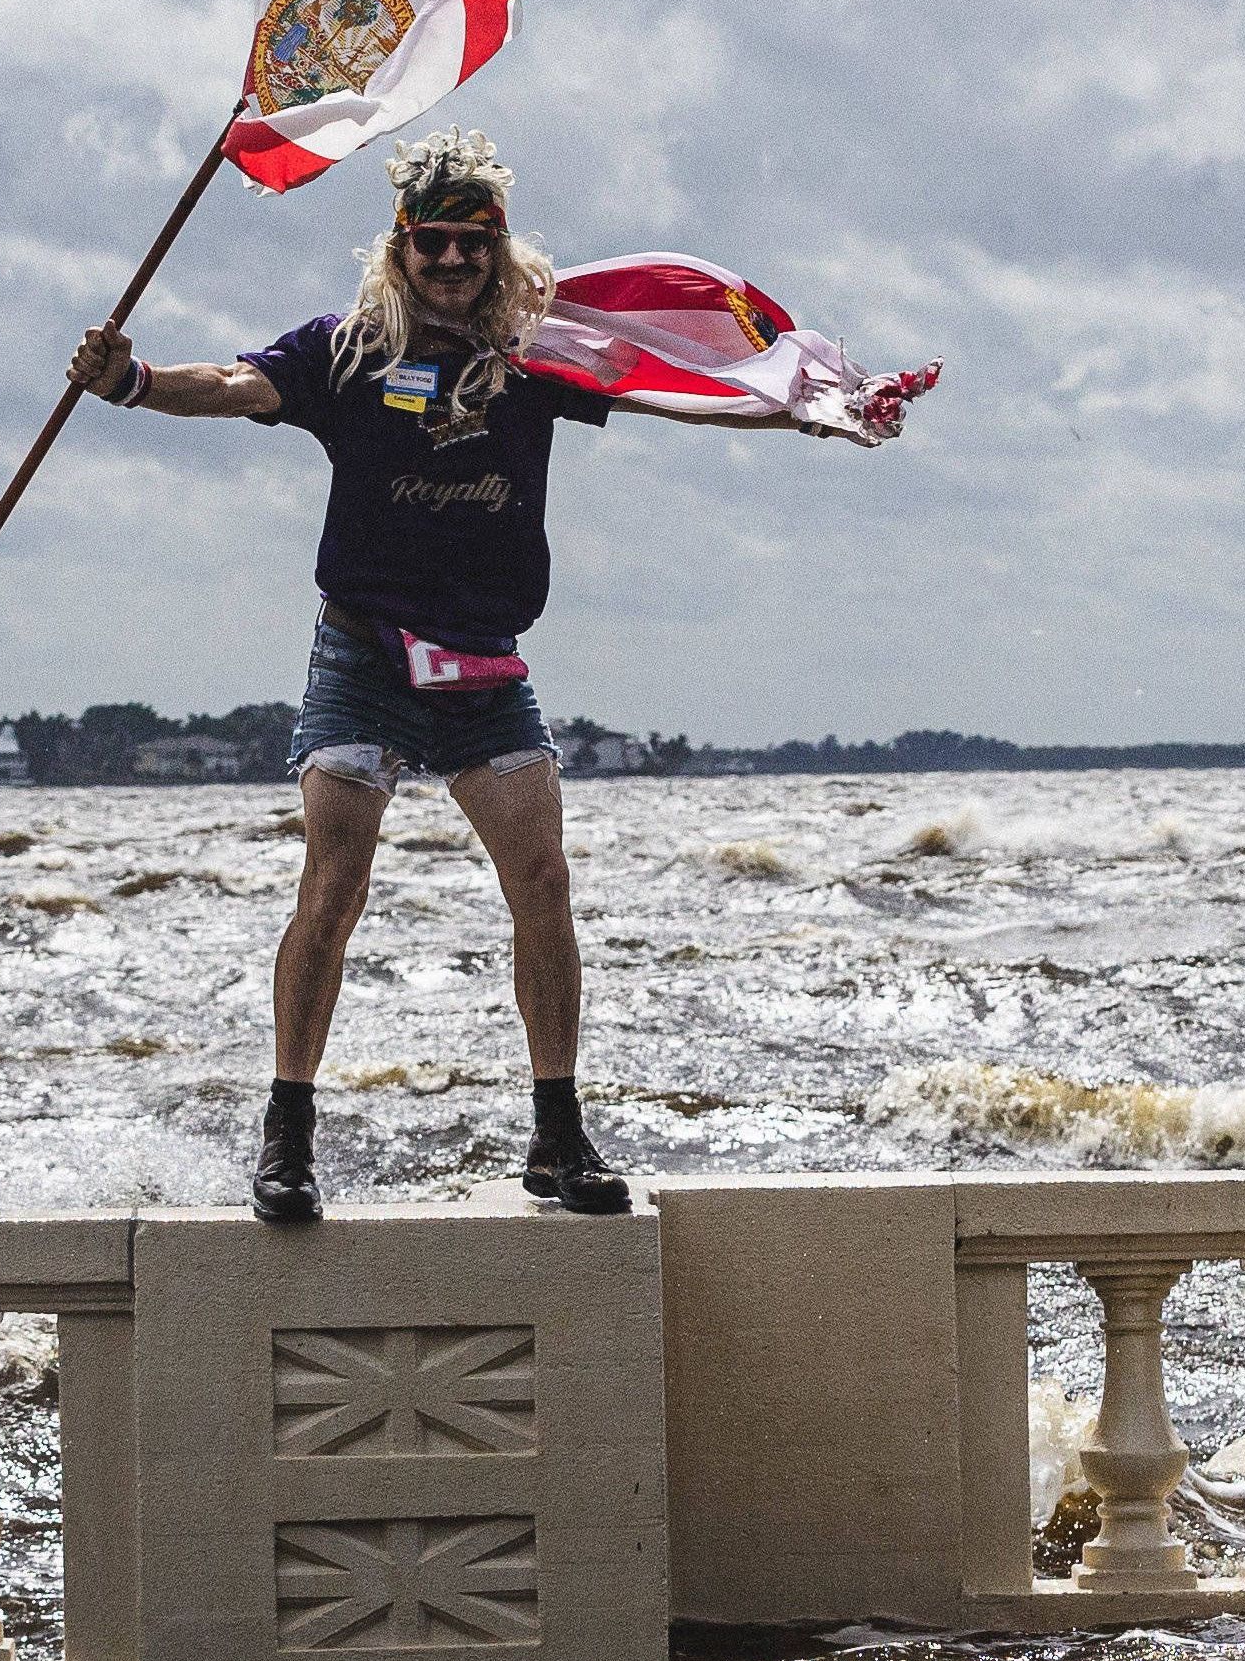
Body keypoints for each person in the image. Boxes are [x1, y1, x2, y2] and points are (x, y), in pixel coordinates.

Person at [68, 130, 845, 1224]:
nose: (449, 264)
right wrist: (133, 382)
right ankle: (286, 1138)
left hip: (483, 669)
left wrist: (791, 405)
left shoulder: (532, 358)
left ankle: (557, 1136)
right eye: (429, 245)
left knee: (543, 885)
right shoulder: (345, 352)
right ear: (399, 249)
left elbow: (665, 382)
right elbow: (237, 386)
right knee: (334, 887)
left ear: (496, 254)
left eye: (470, 247)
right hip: (364, 658)